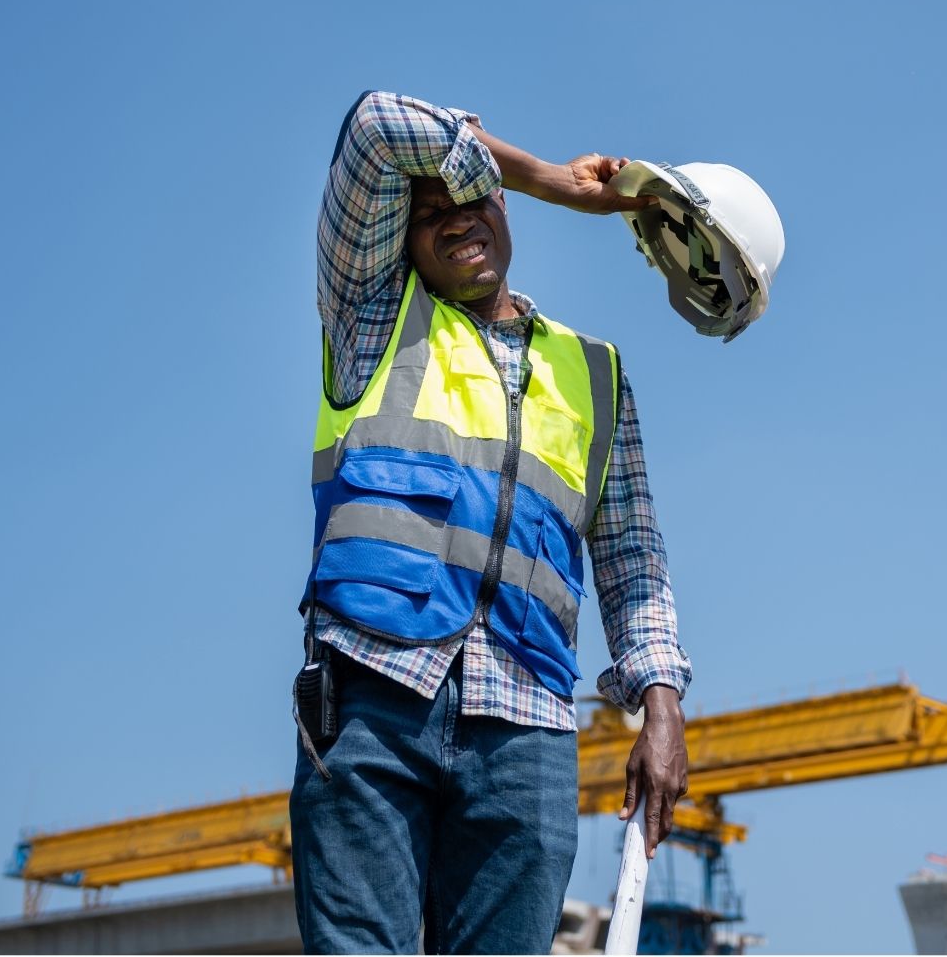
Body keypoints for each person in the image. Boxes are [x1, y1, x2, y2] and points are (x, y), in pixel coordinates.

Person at [291, 90, 693, 954]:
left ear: (498, 208)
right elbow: (374, 126)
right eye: (426, 211)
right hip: (370, 702)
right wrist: (550, 177)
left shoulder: (594, 373)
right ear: (398, 240)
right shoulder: (372, 317)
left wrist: (661, 701)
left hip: (527, 734)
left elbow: (631, 557)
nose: (452, 221)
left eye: (469, 199)